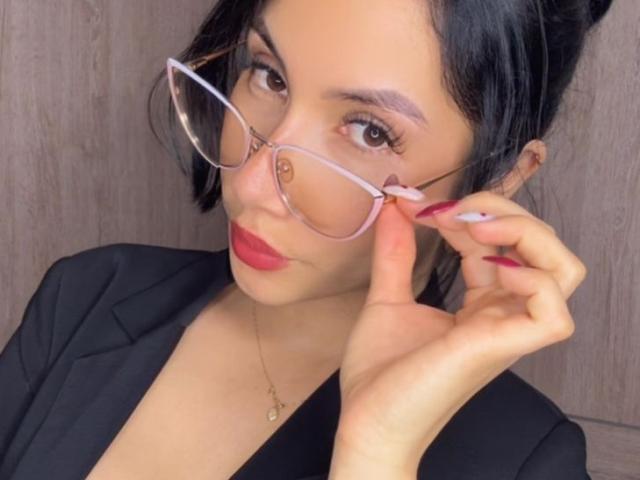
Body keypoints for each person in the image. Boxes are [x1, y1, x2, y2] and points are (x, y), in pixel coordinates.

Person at [0, 0, 614, 478]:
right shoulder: (86, 296)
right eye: (269, 76)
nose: (253, 182)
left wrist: (376, 458)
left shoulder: (525, 460)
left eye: (370, 131)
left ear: (503, 176)